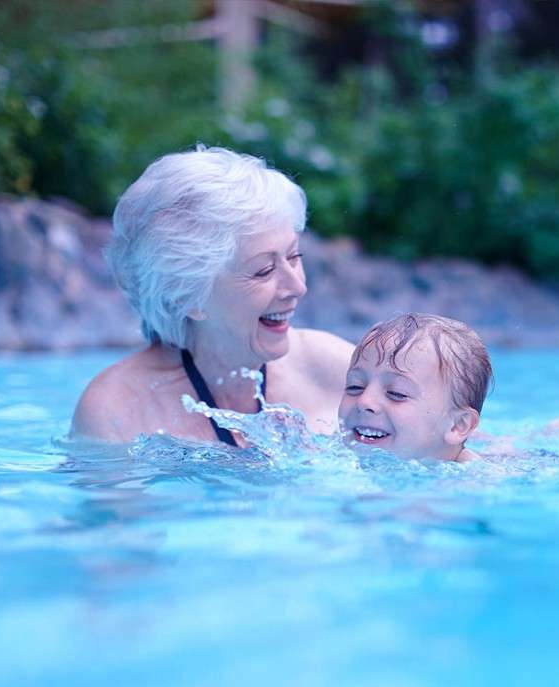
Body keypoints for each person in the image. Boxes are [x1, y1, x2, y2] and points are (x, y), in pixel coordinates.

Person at [71, 146, 354, 445]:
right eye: (264, 270)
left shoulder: (338, 373)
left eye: (294, 256)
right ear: (188, 296)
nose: (297, 286)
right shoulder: (116, 414)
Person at [340, 313, 492, 462]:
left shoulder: (473, 479)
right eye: (355, 386)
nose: (364, 401)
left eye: (396, 393)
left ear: (457, 425)